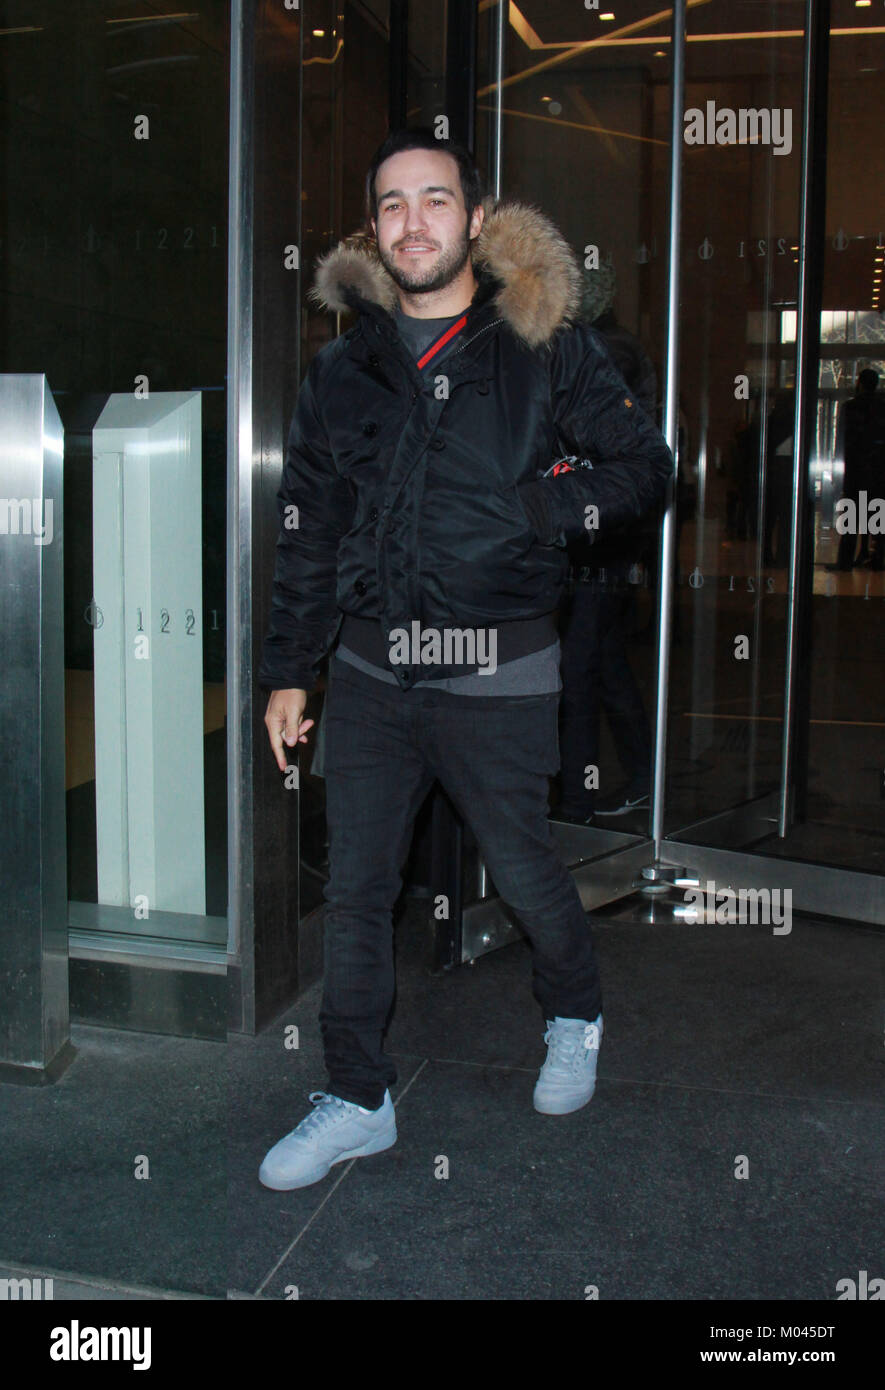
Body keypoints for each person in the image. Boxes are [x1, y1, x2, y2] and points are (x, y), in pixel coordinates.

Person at [256, 127, 673, 1191]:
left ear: (475, 221)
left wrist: (543, 510)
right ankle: (358, 1096)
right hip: (371, 672)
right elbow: (306, 526)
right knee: (356, 891)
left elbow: (642, 466)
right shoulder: (343, 370)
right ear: (373, 227)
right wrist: (290, 668)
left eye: (435, 201)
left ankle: (573, 1013)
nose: (413, 223)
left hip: (499, 668)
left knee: (526, 869)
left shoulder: (541, 348)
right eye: (392, 205)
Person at [557, 262, 659, 823]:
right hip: (603, 539)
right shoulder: (610, 346)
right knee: (603, 662)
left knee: (579, 667)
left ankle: (576, 806)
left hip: (602, 539)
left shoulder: (602, 351)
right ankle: (639, 777)